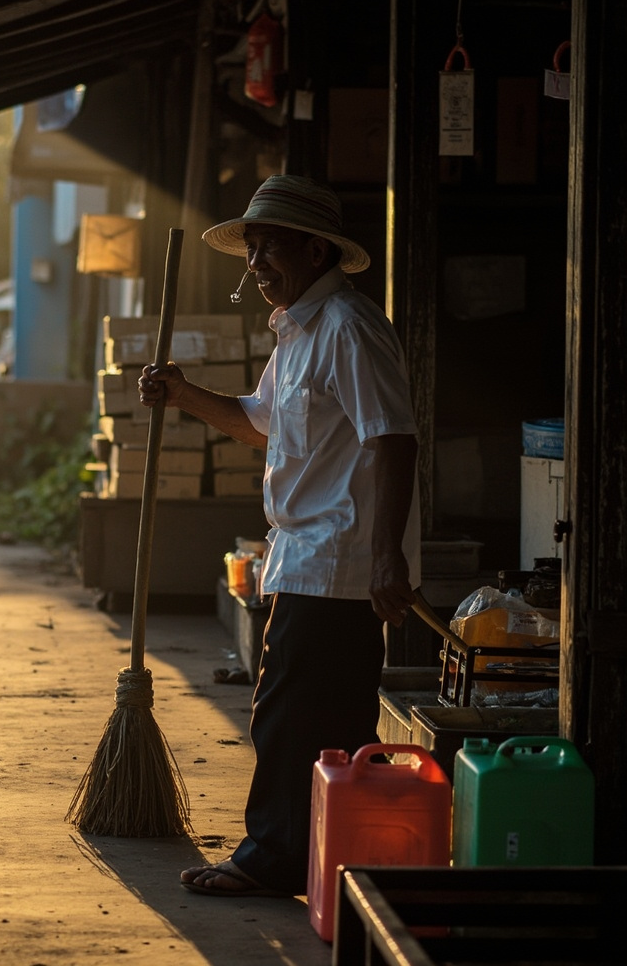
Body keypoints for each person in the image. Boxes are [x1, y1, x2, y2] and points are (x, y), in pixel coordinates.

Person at [139, 175, 420, 897]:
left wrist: (388, 552)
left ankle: (272, 856)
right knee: (318, 722)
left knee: (291, 719)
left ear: (315, 247)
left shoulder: (349, 328)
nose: (255, 262)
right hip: (301, 557)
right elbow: (257, 421)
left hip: (338, 560)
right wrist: (182, 392)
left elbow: (392, 439)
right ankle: (327, 858)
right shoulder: (296, 332)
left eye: (269, 247)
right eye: (252, 248)